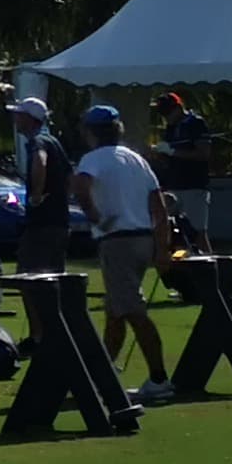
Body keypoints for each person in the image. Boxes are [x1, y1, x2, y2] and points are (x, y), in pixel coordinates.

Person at [72, 101, 172, 399]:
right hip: (143, 238)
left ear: (91, 132)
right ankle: (104, 371)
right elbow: (159, 204)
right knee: (115, 310)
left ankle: (159, 379)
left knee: (131, 310)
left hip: (117, 240)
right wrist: (162, 247)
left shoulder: (92, 159)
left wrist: (93, 215)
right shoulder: (136, 159)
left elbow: (80, 186)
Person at [9, 94, 71, 278]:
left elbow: (40, 160)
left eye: (19, 115)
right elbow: (69, 176)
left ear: (30, 118)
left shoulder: (38, 142)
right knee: (54, 276)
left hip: (42, 223)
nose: (15, 119)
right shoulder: (54, 142)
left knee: (30, 276)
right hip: (59, 221)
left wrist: (37, 194)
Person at [153, 90, 219, 244]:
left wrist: (172, 151)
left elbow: (203, 153)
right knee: (171, 229)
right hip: (173, 185)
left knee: (197, 232)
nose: (166, 117)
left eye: (168, 112)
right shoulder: (170, 128)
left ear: (178, 108)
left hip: (193, 186)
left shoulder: (196, 123)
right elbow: (169, 160)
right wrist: (160, 154)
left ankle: (207, 265)